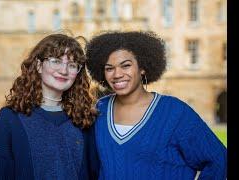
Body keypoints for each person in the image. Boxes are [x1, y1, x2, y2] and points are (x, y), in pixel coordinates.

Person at [85, 31, 227, 179]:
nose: (117, 74)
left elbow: (218, 159)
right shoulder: (99, 110)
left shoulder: (174, 112)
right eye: (109, 68)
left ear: (142, 68)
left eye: (126, 65)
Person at [0, 33, 98, 179]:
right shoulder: (10, 119)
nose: (63, 71)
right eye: (56, 61)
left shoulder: (85, 119)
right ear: (38, 65)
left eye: (72, 65)